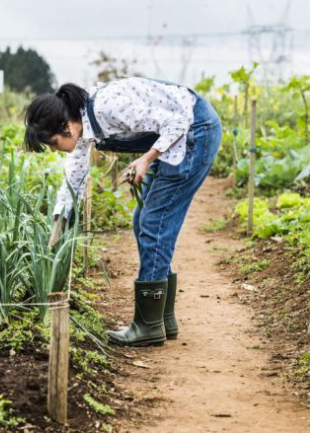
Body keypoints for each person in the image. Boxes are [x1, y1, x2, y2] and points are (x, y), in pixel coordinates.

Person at [23, 77, 222, 347]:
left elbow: (176, 122)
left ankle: (148, 326)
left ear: (66, 126)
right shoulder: (82, 127)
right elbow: (73, 181)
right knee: (142, 220)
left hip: (194, 132)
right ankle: (163, 318)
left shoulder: (107, 108)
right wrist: (55, 234)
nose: (54, 149)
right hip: (177, 137)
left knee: (155, 222)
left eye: (53, 143)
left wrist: (146, 159)